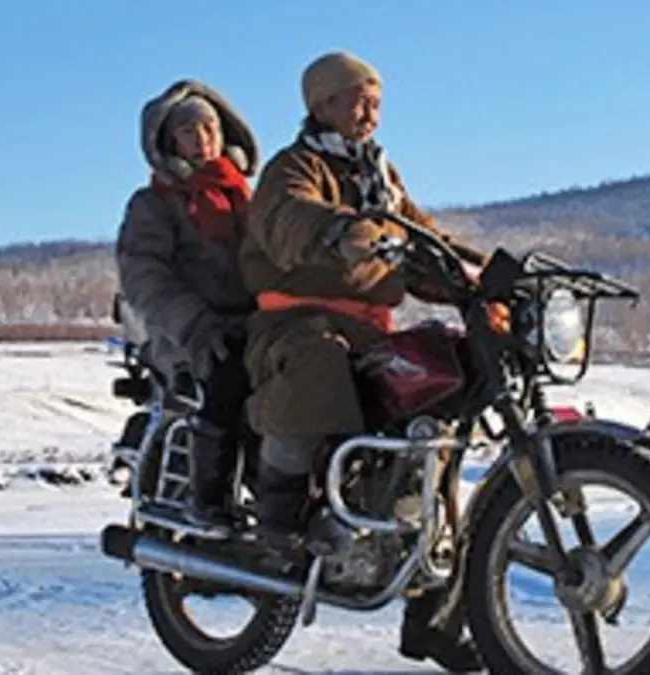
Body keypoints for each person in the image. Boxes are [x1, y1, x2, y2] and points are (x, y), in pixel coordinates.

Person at [237, 51, 489, 672]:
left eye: (375, 100)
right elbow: (283, 217)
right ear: (321, 105)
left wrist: (479, 274)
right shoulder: (295, 166)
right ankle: (278, 517)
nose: (369, 110)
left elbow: (421, 237)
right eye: (356, 99)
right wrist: (336, 230)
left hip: (369, 329)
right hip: (293, 322)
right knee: (318, 366)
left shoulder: (380, 174)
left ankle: (432, 614)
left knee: (438, 420)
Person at [115, 79, 260, 532]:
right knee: (230, 371)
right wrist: (196, 326)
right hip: (187, 333)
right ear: (167, 141)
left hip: (256, 323)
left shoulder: (246, 198)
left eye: (210, 128)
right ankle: (208, 499)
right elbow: (145, 278)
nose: (203, 140)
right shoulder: (154, 204)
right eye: (189, 130)